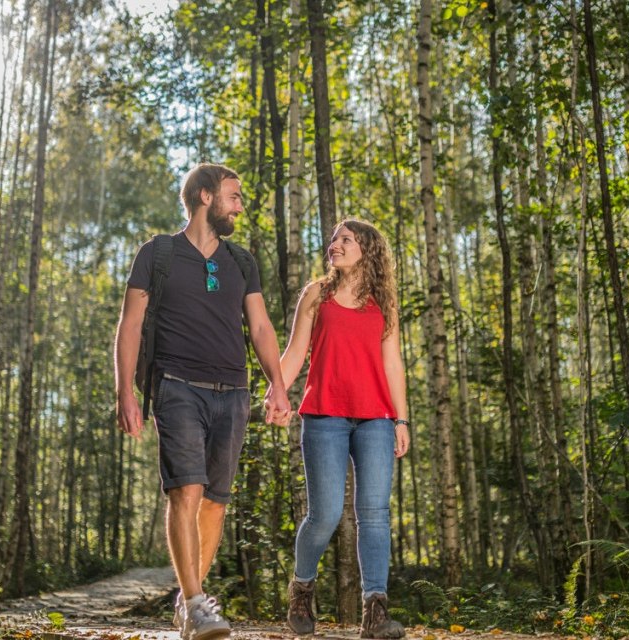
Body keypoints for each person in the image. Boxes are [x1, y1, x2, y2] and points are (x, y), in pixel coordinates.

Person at [114, 163, 292, 640]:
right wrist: (126, 391)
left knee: (215, 502)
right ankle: (195, 603)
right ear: (205, 197)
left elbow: (259, 327)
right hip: (176, 386)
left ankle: (189, 597)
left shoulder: (242, 260)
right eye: (234, 196)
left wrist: (278, 383)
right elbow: (130, 325)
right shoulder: (158, 253)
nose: (240, 205)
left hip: (233, 393)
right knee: (185, 492)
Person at [275, 219, 410, 639]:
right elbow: (296, 350)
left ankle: (375, 611)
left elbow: (393, 363)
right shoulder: (317, 294)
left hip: (376, 419)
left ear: (366, 249)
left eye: (345, 240)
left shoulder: (382, 301)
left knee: (374, 515)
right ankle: (302, 588)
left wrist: (402, 418)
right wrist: (276, 392)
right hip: (325, 415)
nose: (335, 245)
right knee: (325, 515)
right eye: (333, 239)